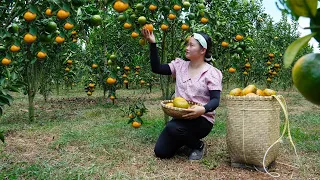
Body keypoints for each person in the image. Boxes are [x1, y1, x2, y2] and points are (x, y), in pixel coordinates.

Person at [141, 29, 222, 160]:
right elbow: (156, 68)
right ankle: (185, 139)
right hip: (181, 118)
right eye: (187, 44)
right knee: (161, 152)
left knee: (172, 127)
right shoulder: (180, 66)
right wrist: (152, 43)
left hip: (201, 119)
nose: (187, 48)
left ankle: (198, 145)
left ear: (203, 50)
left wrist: (203, 109)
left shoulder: (211, 73)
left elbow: (215, 100)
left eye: (191, 45)